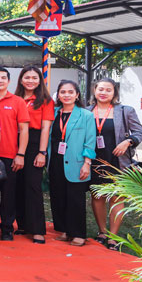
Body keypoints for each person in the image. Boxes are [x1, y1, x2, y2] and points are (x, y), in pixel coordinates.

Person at [88, 78, 142, 250]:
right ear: (95, 90)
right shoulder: (87, 111)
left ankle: (113, 237)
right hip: (94, 160)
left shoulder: (125, 111)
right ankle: (102, 232)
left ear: (114, 93)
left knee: (116, 197)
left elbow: (140, 132)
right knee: (97, 196)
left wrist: (128, 142)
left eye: (108, 90)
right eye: (100, 89)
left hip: (118, 161)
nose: (103, 92)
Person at [0, 67, 30, 241]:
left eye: (3, 78)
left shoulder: (18, 101)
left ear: (9, 81)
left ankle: (7, 228)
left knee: (9, 194)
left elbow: (24, 130)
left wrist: (21, 154)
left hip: (10, 155)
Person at [48, 80, 96, 246]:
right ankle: (65, 230)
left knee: (75, 199)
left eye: (70, 92)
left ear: (77, 95)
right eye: (63, 92)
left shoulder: (86, 115)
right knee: (58, 197)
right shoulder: (53, 113)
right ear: (58, 95)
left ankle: (78, 234)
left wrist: (87, 163)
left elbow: (90, 141)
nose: (66, 95)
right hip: (55, 161)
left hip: (77, 162)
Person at [14, 66, 53, 244]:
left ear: (39, 80)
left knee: (33, 186)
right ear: (21, 80)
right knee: (18, 185)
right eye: (27, 77)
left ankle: (37, 229)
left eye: (34, 78)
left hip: (35, 142)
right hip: (15, 140)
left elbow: (45, 128)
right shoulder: (15, 98)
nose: (30, 81)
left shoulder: (45, 100)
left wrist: (42, 152)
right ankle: (22, 224)